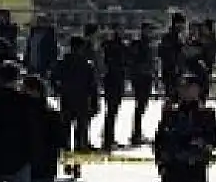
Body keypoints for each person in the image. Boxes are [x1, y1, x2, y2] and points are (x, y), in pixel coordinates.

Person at [50, 36, 100, 156]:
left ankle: (67, 156)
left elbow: (52, 78)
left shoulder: (62, 62)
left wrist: (59, 90)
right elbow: (93, 86)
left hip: (66, 99)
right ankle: (77, 161)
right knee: (80, 132)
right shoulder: (87, 65)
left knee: (66, 130)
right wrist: (95, 102)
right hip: (82, 100)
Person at [99, 24, 129, 152]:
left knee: (111, 111)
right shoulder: (119, 47)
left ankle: (108, 136)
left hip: (112, 80)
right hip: (114, 80)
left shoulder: (108, 45)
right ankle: (108, 138)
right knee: (112, 111)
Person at [128, 23, 156, 147]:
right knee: (140, 106)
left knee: (142, 106)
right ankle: (136, 133)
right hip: (141, 77)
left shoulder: (148, 44)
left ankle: (137, 132)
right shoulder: (139, 44)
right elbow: (134, 61)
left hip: (146, 77)